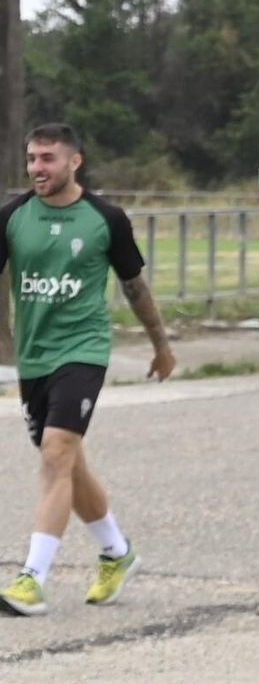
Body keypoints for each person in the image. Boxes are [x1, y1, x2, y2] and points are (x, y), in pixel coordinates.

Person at [0, 124, 173, 617]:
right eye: (31, 158)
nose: (37, 167)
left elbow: (135, 286)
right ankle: (117, 551)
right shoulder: (12, 217)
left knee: (56, 452)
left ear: (75, 161)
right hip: (33, 357)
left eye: (48, 158)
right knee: (67, 462)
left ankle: (32, 578)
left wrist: (161, 345)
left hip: (84, 349)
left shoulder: (105, 219)